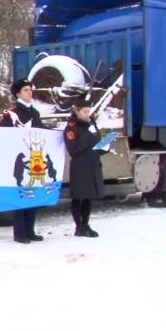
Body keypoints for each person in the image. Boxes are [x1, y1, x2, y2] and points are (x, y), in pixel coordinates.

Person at [0, 78, 48, 244]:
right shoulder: (11, 114)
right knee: (21, 195)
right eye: (26, 90)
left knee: (33, 194)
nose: (29, 92)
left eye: (30, 89)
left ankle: (30, 230)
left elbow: (41, 131)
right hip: (19, 159)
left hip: (34, 157)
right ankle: (19, 233)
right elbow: (1, 134)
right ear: (18, 93)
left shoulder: (34, 113)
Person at [63, 99, 108, 237]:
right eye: (84, 112)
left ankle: (85, 225)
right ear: (76, 111)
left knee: (89, 197)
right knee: (78, 197)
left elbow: (96, 143)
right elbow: (74, 148)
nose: (87, 114)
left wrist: (104, 146)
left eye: (89, 111)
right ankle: (78, 226)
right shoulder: (71, 127)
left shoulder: (91, 124)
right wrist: (88, 135)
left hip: (93, 164)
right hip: (80, 167)